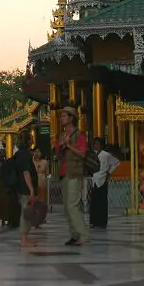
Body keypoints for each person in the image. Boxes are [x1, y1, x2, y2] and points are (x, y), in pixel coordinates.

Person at [57, 105, 90, 245]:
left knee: (72, 205)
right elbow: (58, 152)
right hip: (64, 172)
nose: (61, 118)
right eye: (62, 116)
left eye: (64, 116)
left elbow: (83, 153)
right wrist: (62, 145)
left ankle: (83, 234)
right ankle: (74, 234)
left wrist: (69, 145)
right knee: (66, 206)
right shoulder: (62, 135)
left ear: (71, 118)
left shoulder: (79, 135)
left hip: (75, 172)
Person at [12, 137, 39, 247]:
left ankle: (25, 237)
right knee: (26, 213)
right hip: (24, 188)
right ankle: (23, 239)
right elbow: (26, 172)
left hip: (20, 187)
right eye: (31, 139)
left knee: (27, 212)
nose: (32, 140)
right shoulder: (25, 155)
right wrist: (31, 189)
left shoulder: (19, 154)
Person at [89, 139, 120, 229]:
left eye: (97, 144)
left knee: (102, 202)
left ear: (101, 146)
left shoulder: (106, 155)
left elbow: (116, 163)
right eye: (94, 144)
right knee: (94, 202)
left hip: (102, 179)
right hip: (94, 180)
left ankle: (102, 222)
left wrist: (109, 172)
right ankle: (94, 222)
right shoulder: (93, 154)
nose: (95, 146)